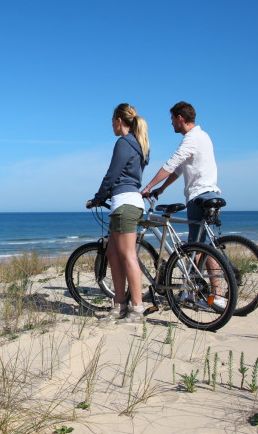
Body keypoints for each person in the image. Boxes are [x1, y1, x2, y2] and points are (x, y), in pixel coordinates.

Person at [141, 100, 225, 307]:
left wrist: (148, 186)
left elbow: (171, 164)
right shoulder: (203, 136)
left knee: (197, 249)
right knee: (204, 246)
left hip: (199, 196)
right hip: (208, 193)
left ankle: (217, 296)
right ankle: (197, 293)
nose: (171, 124)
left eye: (172, 119)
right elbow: (179, 170)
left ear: (180, 118)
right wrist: (161, 189)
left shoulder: (191, 138)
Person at [87, 103, 149, 324]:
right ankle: (119, 304)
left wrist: (97, 198)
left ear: (119, 121)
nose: (111, 125)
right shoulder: (139, 143)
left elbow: (112, 175)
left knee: (128, 256)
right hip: (123, 203)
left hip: (125, 203)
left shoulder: (124, 143)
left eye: (112, 121)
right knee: (113, 254)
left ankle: (137, 309)